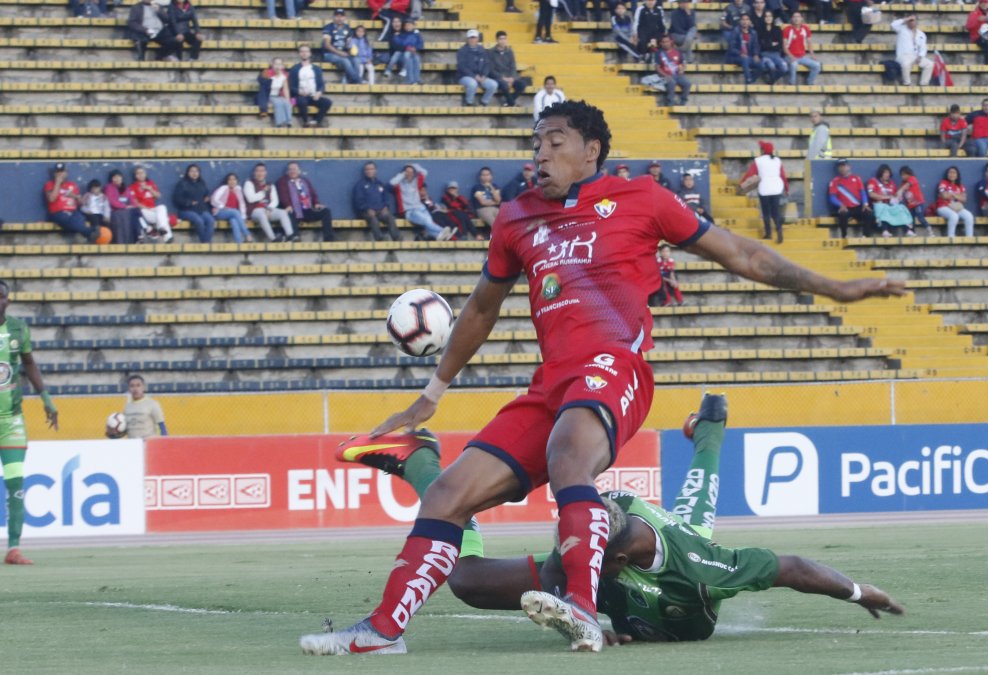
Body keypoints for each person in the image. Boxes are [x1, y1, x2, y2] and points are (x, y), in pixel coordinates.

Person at [298, 99, 904, 656]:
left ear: (591, 150)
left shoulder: (642, 198)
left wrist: (836, 288)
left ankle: (582, 606)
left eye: (554, 142)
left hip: (616, 365)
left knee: (569, 455)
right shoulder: (515, 219)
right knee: (447, 495)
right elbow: (482, 307)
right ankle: (383, 631)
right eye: (535, 144)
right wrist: (432, 394)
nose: (539, 154)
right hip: (551, 386)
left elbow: (743, 254)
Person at [332, 395, 904, 645]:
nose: (570, 553)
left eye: (584, 551)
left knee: (697, 512)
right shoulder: (593, 545)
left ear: (621, 559)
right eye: (570, 545)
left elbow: (793, 566)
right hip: (628, 536)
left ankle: (711, 425)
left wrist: (859, 592)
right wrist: (579, 614)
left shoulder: (704, 570)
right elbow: (582, 545)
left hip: (678, 555)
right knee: (466, 580)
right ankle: (423, 462)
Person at [0, 280, 58, 566]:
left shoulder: (18, 329)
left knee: (16, 485)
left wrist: (46, 398)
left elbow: (29, 363)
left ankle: (13, 548)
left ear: (7, 300)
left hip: (11, 421)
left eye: (1, 297)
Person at [390, 164, 453, 241]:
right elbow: (392, 183)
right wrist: (403, 174)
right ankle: (442, 230)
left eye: (411, 172)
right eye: (407, 172)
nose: (409, 174)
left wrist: (413, 165)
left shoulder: (416, 182)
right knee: (426, 221)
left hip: (420, 208)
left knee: (428, 223)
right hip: (410, 211)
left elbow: (424, 172)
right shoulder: (399, 185)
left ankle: (438, 236)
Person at [741, 140, 788, 242]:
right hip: (777, 188)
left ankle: (768, 234)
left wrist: (742, 183)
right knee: (775, 212)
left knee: (766, 212)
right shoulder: (777, 160)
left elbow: (750, 174)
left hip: (765, 188)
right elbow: (783, 176)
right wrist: (787, 189)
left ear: (762, 150)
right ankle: (779, 230)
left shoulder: (758, 160)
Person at [276, 162, 334, 242]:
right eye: (290, 169)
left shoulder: (305, 181)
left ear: (299, 171)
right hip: (294, 211)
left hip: (307, 210)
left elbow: (312, 193)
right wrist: (288, 205)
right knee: (288, 213)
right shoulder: (282, 181)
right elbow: (283, 195)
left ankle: (329, 238)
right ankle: (295, 237)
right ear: (287, 171)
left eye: (295, 169)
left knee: (326, 211)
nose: (293, 171)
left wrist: (316, 203)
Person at [43, 164, 99, 243]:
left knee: (80, 218)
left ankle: (89, 232)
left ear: (66, 173)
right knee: (69, 220)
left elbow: (81, 202)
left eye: (62, 172)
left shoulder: (72, 185)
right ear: (54, 174)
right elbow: (51, 199)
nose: (60, 174)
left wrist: (76, 196)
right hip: (58, 213)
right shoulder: (49, 184)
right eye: (58, 172)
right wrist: (57, 183)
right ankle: (89, 232)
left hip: (73, 212)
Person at [244, 163, 296, 242]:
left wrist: (269, 208)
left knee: (283, 212)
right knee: (261, 214)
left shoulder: (270, 185)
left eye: (262, 171)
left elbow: (275, 200)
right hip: (254, 211)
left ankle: (290, 235)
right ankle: (273, 238)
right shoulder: (249, 183)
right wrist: (263, 192)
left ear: (265, 173)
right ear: (254, 173)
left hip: (268, 209)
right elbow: (251, 199)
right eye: (258, 171)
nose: (260, 173)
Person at [354, 162, 402, 242]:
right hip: (366, 212)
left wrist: (385, 206)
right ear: (365, 171)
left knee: (389, 217)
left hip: (380, 210)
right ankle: (380, 239)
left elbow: (386, 197)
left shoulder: (380, 184)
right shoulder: (360, 185)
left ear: (375, 170)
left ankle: (396, 237)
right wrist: (367, 209)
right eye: (367, 169)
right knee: (373, 219)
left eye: (371, 169)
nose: (369, 171)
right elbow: (358, 201)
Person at [828, 159, 875, 238]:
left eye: (843, 166)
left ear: (848, 167)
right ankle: (844, 235)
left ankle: (866, 235)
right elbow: (832, 197)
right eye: (840, 166)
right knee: (842, 214)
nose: (842, 168)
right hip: (845, 208)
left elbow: (862, 192)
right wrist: (840, 205)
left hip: (857, 207)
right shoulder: (835, 181)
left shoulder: (856, 178)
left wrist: (865, 204)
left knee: (868, 212)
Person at [289, 45, 333, 127]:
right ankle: (305, 122)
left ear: (310, 53)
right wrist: (299, 92)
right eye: (302, 51)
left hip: (313, 96)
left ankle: (316, 121)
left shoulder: (316, 69)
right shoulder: (294, 69)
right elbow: (291, 87)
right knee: (302, 102)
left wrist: (319, 92)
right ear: (299, 54)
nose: (304, 53)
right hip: (300, 96)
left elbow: (321, 84)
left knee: (327, 102)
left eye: (306, 51)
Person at [173, 164, 216, 243]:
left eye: (196, 171)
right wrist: (189, 203)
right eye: (192, 171)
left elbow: (207, 194)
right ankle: (205, 244)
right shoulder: (182, 184)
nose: (194, 173)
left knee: (211, 220)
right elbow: (177, 199)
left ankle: (206, 243)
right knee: (199, 221)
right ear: (188, 173)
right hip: (186, 210)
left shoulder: (202, 183)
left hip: (200, 209)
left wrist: (207, 198)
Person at [129, 166, 174, 242]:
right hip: (144, 211)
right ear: (135, 175)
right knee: (164, 218)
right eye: (138, 173)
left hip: (153, 210)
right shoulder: (132, 187)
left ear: (145, 174)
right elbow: (135, 202)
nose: (140, 175)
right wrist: (146, 208)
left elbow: (158, 196)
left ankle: (162, 229)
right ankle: (167, 236)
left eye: (142, 173)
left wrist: (150, 189)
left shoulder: (150, 183)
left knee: (162, 207)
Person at [867, 164, 914, 238]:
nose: (887, 175)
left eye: (888, 173)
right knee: (882, 207)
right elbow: (871, 194)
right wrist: (886, 197)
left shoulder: (892, 183)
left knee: (901, 207)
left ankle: (908, 230)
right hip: (878, 205)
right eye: (885, 173)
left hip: (890, 205)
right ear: (881, 173)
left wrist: (898, 198)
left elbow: (894, 196)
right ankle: (885, 231)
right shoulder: (873, 181)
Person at [457, 30, 498, 107]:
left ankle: (484, 102)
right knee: (472, 84)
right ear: (467, 39)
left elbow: (487, 64)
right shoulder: (462, 51)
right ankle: (469, 102)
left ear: (478, 39)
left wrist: (484, 75)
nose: (472, 39)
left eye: (474, 37)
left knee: (493, 84)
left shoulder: (483, 50)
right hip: (465, 76)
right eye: (470, 38)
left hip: (481, 76)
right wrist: (474, 76)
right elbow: (462, 67)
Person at [322, 9, 362, 84]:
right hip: (329, 54)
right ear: (333, 17)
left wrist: (351, 50)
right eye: (337, 16)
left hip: (343, 53)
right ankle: (357, 81)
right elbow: (327, 45)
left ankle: (350, 81)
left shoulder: (348, 28)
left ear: (345, 17)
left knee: (356, 60)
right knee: (345, 61)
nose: (339, 18)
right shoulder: (328, 28)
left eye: (341, 16)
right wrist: (340, 53)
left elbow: (348, 44)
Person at [121, 374, 167, 439]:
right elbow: (125, 429)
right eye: (132, 386)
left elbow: (161, 426)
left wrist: (164, 443)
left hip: (148, 445)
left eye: (138, 385)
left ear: (143, 387)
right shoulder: (127, 407)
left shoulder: (152, 404)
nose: (135, 389)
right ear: (129, 389)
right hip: (132, 445)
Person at [210, 173, 251, 244]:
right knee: (235, 212)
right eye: (230, 180)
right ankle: (247, 235)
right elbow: (213, 199)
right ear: (227, 181)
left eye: (234, 179)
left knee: (234, 220)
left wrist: (243, 217)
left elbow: (242, 204)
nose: (232, 181)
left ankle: (239, 243)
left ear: (236, 181)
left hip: (233, 214)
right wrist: (222, 206)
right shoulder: (223, 188)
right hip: (221, 212)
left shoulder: (238, 190)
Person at [891, 15, 931, 86]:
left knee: (929, 64)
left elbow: (923, 47)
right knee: (905, 64)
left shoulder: (921, 34)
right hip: (903, 55)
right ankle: (907, 82)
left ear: (917, 22)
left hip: (915, 56)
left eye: (913, 20)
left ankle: (924, 83)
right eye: (910, 21)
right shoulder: (901, 29)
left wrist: (920, 56)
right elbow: (893, 25)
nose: (912, 22)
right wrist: (907, 18)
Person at [489, 31, 527, 108]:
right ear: (497, 40)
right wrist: (503, 78)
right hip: (499, 78)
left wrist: (512, 78)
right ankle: (512, 103)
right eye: (501, 39)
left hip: (510, 77)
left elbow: (513, 66)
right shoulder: (491, 52)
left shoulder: (510, 52)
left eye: (504, 39)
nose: (503, 41)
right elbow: (491, 70)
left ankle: (508, 102)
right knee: (504, 85)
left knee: (522, 84)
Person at [782, 11, 820, 86]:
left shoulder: (805, 29)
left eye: (798, 17)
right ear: (792, 19)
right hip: (789, 56)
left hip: (801, 57)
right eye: (794, 17)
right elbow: (784, 47)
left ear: (801, 19)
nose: (796, 19)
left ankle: (810, 82)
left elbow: (809, 42)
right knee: (794, 64)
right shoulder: (787, 30)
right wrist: (791, 57)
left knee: (817, 65)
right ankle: (792, 83)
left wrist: (812, 55)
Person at [935, 166, 973, 239]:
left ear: (957, 175)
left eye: (954, 173)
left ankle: (969, 238)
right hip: (943, 207)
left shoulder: (960, 186)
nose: (952, 174)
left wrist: (952, 194)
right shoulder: (943, 183)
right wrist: (958, 195)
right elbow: (944, 196)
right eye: (950, 172)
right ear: (947, 174)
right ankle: (951, 237)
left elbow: (964, 199)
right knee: (954, 216)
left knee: (969, 216)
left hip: (955, 207)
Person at [653, 35, 690, 106]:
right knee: (671, 82)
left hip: (677, 75)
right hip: (665, 75)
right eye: (663, 42)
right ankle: (670, 102)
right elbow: (657, 67)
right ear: (660, 43)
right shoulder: (658, 53)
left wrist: (682, 69)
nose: (665, 43)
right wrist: (665, 75)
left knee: (687, 83)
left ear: (671, 42)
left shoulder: (677, 52)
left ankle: (683, 101)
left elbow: (683, 63)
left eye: (667, 41)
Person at [103, 170, 138, 244]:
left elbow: (132, 201)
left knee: (136, 211)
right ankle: (121, 242)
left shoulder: (126, 188)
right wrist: (124, 206)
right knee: (123, 215)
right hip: (114, 211)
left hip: (127, 210)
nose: (117, 179)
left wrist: (132, 206)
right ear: (111, 179)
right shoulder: (109, 187)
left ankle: (138, 237)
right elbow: (112, 201)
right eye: (115, 177)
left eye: (119, 177)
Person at [726, 14, 762, 85]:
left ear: (750, 22)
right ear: (740, 21)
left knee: (761, 64)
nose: (745, 21)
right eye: (743, 19)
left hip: (749, 57)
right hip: (735, 57)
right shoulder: (735, 31)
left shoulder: (753, 33)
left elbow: (756, 46)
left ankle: (752, 79)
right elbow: (731, 47)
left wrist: (756, 54)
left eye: (747, 19)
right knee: (745, 59)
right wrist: (740, 53)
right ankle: (748, 80)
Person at [257, 57, 293, 127]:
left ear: (282, 66)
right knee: (278, 103)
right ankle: (279, 122)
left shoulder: (284, 76)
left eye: (280, 64)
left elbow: (285, 89)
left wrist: (288, 99)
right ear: (272, 65)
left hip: (277, 95)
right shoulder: (266, 73)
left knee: (286, 103)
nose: (278, 66)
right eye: (276, 64)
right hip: (268, 95)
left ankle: (289, 121)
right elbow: (263, 88)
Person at [385, 17, 423, 84]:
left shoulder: (416, 34)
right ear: (404, 27)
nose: (408, 27)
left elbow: (420, 44)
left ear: (413, 26)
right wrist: (407, 47)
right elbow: (400, 44)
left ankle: (417, 78)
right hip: (402, 54)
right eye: (406, 25)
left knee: (416, 59)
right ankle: (410, 79)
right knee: (408, 58)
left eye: (410, 25)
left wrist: (415, 48)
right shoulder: (400, 35)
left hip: (412, 52)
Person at [755, 10, 787, 85]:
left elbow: (779, 44)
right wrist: (772, 44)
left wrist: (768, 44)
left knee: (784, 68)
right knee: (771, 66)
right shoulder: (759, 30)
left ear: (772, 18)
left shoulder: (777, 29)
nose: (768, 18)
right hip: (764, 54)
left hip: (776, 54)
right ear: (764, 18)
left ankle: (771, 80)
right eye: (766, 16)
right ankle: (771, 83)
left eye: (770, 16)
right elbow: (760, 44)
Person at [897, 166, 930, 236]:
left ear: (909, 174)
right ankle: (913, 232)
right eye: (902, 175)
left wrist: (900, 190)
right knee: (911, 219)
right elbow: (899, 194)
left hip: (918, 203)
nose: (903, 176)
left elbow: (907, 185)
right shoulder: (902, 184)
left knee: (920, 217)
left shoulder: (913, 179)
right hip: (910, 205)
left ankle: (929, 230)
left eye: (905, 174)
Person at [470, 167, 503, 232]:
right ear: (480, 177)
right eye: (483, 175)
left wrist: (491, 187)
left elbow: (498, 200)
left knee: (505, 222)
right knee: (495, 225)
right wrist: (495, 202)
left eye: (487, 175)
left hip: (495, 209)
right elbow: (483, 202)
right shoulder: (477, 187)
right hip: (483, 209)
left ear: (491, 176)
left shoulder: (495, 186)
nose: (485, 177)